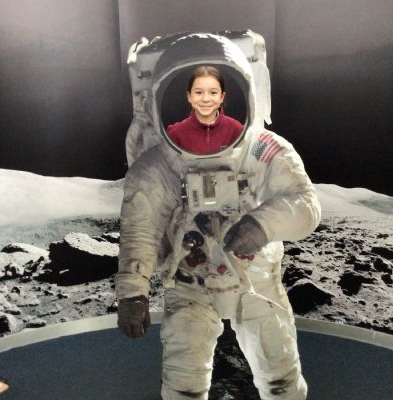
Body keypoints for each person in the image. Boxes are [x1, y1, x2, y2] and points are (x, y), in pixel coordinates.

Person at [116, 31, 321, 400]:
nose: (206, 98)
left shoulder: (260, 148)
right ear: (183, 95)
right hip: (190, 282)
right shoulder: (160, 162)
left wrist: (261, 225)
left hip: (254, 279)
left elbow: (305, 205)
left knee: (281, 382)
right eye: (198, 91)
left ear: (229, 94)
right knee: (184, 387)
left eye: (213, 91)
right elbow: (141, 229)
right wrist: (133, 293)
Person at [166, 66, 243, 154]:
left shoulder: (236, 129)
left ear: (222, 97)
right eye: (199, 92)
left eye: (213, 93)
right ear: (189, 96)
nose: (205, 99)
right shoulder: (175, 133)